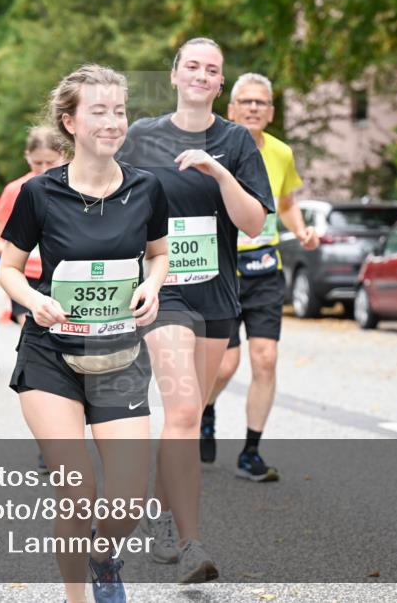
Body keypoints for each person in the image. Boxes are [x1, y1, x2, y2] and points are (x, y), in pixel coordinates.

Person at [0, 64, 169, 603]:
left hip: (119, 355)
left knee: (127, 502)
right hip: (51, 356)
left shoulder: (147, 189)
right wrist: (35, 299)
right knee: (78, 491)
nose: (113, 121)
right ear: (70, 122)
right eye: (99, 111)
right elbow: (7, 268)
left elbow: (159, 255)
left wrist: (153, 287)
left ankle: (104, 556)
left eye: (119, 110)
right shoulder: (39, 193)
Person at [117, 37, 273, 582]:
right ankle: (189, 545)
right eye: (193, 67)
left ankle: (162, 512)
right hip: (163, 290)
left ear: (219, 83)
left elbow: (254, 223)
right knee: (183, 412)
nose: (202, 75)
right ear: (176, 74)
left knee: (187, 415)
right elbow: (111, 200)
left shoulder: (237, 140)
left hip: (216, 293)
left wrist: (220, 173)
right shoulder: (142, 137)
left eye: (213, 70)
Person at [203, 73, 319, 480]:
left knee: (265, 359)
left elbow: (285, 202)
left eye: (261, 103)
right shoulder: (213, 150)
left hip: (265, 268)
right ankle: (205, 408)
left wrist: (301, 228)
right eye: (245, 102)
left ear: (270, 112)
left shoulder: (281, 154)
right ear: (231, 109)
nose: (253, 108)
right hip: (221, 268)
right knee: (223, 366)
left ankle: (250, 452)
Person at [0, 126, 68, 327]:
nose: (43, 169)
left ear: (64, 155)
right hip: (26, 277)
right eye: (37, 162)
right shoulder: (15, 190)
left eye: (50, 162)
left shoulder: (76, 187)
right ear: (27, 156)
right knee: (31, 332)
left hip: (64, 274)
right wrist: (21, 252)